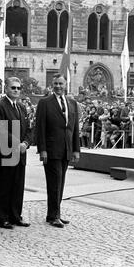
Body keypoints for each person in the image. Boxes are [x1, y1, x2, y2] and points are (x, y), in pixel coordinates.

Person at [35, 73, 80, 228]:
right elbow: (40, 128)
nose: (58, 86)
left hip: (67, 149)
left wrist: (76, 150)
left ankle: (54, 214)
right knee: (54, 183)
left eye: (61, 84)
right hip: (51, 149)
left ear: (65, 84)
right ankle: (54, 215)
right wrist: (42, 150)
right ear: (51, 85)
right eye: (55, 84)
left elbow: (74, 128)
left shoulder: (72, 103)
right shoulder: (45, 103)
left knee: (60, 183)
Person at [0, 77, 32, 229]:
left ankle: (16, 216)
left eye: (18, 88)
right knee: (5, 186)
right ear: (6, 88)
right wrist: (17, 143)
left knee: (18, 186)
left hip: (21, 154)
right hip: (6, 153)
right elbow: (0, 130)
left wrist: (26, 143)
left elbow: (29, 129)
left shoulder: (21, 107)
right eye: (13, 88)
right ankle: (2, 218)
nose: (16, 90)